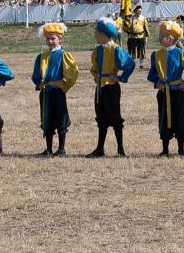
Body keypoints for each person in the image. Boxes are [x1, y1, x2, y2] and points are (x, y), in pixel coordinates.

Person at [147, 19, 184, 156]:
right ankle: (165, 149)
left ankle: (181, 149)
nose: (159, 38)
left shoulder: (180, 53)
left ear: (171, 38)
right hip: (163, 92)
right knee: (163, 118)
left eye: (162, 36)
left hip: (176, 92)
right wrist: (157, 81)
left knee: (179, 118)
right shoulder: (156, 55)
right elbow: (151, 74)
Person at [88, 18, 136, 157]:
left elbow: (129, 64)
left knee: (115, 117)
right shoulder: (97, 50)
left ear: (104, 34)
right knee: (101, 117)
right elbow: (94, 67)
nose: (95, 34)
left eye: (97, 32)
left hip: (111, 87)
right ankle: (99, 149)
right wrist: (96, 75)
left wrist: (120, 77)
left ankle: (120, 149)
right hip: (100, 88)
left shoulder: (115, 49)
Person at [32, 21, 79, 156]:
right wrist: (39, 83)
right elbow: (36, 75)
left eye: (53, 38)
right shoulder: (42, 56)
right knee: (47, 118)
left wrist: (64, 83)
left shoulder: (64, 55)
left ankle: (61, 149)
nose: (50, 41)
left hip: (58, 92)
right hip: (46, 93)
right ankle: (48, 149)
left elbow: (72, 72)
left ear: (60, 39)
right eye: (48, 39)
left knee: (60, 118)